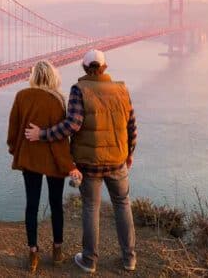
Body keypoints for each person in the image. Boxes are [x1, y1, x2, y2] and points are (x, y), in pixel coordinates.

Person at [25, 49, 138, 273]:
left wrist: (42, 134)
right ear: (105, 67)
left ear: (85, 68)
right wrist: (129, 153)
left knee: (91, 208)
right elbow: (131, 126)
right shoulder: (121, 89)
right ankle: (129, 259)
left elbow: (72, 125)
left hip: (90, 163)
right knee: (123, 205)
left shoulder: (79, 90)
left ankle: (89, 261)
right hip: (117, 161)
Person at [7, 60, 82, 273]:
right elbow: (60, 140)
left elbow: (12, 131)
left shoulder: (21, 96)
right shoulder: (57, 100)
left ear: (34, 76)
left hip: (29, 159)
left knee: (31, 205)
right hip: (53, 161)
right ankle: (57, 250)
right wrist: (68, 165)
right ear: (52, 76)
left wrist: (16, 150)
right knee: (56, 204)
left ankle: (33, 253)